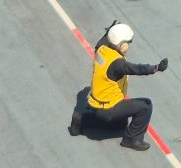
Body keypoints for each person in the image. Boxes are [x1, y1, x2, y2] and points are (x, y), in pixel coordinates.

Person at [71, 22, 168, 151]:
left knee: (121, 124)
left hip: (96, 104)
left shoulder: (101, 49)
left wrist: (111, 31)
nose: (129, 45)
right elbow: (136, 69)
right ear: (122, 45)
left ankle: (81, 119)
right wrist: (156, 68)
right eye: (128, 42)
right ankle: (132, 140)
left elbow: (103, 40)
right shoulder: (117, 64)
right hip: (108, 108)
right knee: (146, 105)